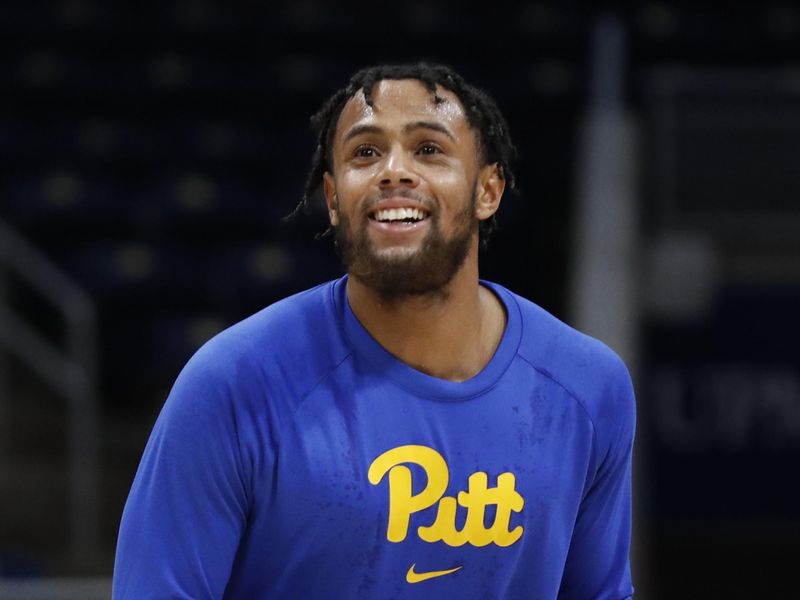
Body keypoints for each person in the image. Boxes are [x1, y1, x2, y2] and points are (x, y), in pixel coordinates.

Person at [113, 62, 636, 600]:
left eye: (429, 149)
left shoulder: (587, 387)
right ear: (335, 199)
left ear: (488, 190)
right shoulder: (234, 382)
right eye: (365, 153)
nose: (394, 171)